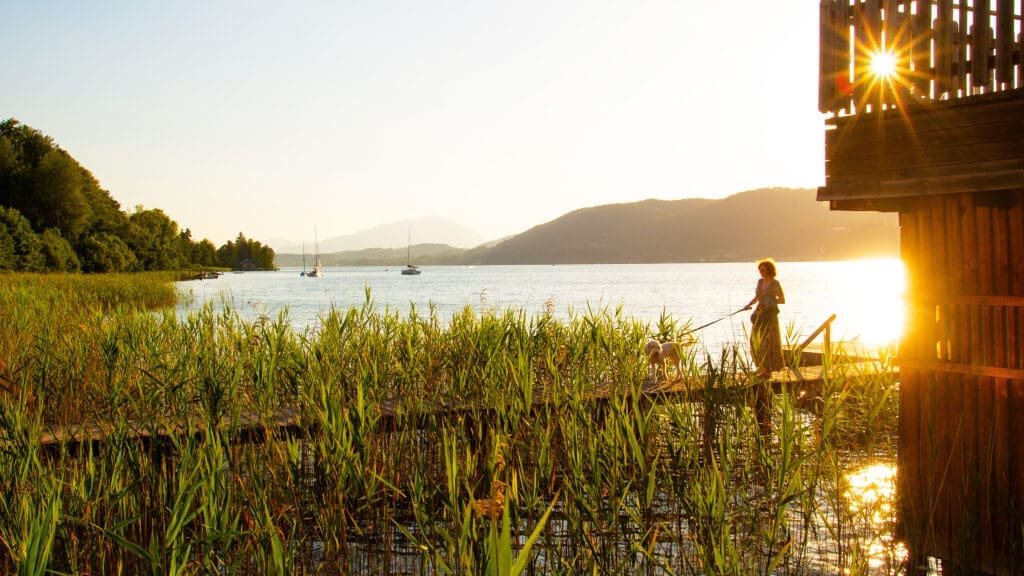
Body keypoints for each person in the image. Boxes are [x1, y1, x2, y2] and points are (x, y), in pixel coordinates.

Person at [744, 258, 785, 378]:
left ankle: (768, 370)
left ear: (769, 270)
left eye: (763, 269)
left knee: (768, 342)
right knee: (755, 340)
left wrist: (771, 300)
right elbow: (757, 297)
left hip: (770, 316)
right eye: (760, 270)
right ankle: (760, 367)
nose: (761, 272)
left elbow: (782, 300)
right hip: (759, 314)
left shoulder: (775, 283)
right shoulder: (760, 282)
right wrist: (749, 305)